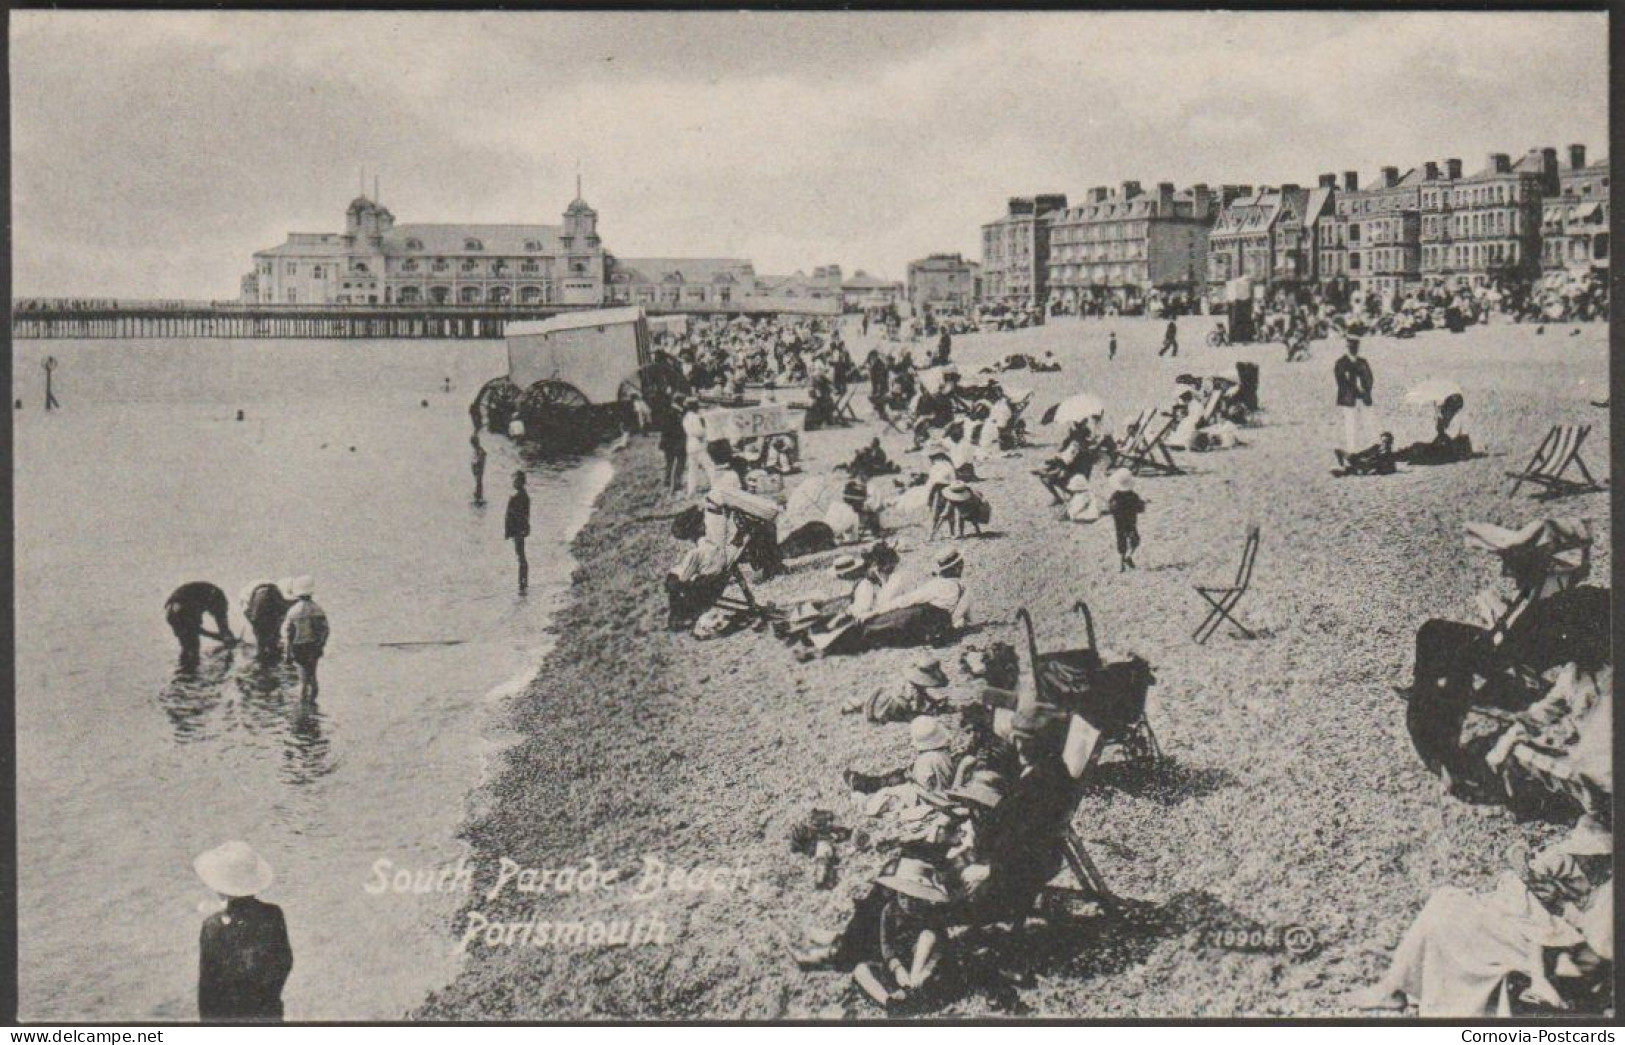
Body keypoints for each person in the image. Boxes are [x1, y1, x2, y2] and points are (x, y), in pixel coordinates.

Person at [1354, 818, 1612, 1017]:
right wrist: (1532, 885)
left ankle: (1395, 987)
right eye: (1584, 856)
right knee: (1446, 902)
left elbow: (1592, 946)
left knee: (1447, 913)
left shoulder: (1607, 897)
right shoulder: (1566, 862)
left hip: (1547, 946)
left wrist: (1543, 971)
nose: (1586, 863)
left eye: (1594, 859)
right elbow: (1522, 884)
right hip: (1521, 921)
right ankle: (1395, 985)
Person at [194, 840, 293, 1022]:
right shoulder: (273, 914)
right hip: (267, 1012)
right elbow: (284, 962)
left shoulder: (212, 927)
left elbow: (208, 988)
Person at [279, 577, 328, 700]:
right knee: (313, 677)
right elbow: (324, 630)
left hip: (299, 647)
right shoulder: (318, 609)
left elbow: (289, 634)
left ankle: (303, 710)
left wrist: (288, 653)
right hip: (314, 646)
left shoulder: (293, 611)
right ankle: (313, 705)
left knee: (303, 681)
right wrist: (321, 645)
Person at [165, 581, 235, 666]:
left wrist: (224, 633)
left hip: (209, 596)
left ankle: (186, 671)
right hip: (182, 610)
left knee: (188, 647)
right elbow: (196, 629)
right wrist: (217, 635)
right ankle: (189, 669)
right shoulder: (179, 614)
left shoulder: (207, 597)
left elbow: (220, 618)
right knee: (191, 647)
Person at [1334, 335, 1375, 453]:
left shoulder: (1363, 362)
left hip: (1363, 398)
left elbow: (1369, 378)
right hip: (1349, 398)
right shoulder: (1341, 363)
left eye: (1355, 345)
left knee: (1368, 422)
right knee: (1350, 424)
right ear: (1347, 346)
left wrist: (1365, 390)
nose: (1353, 348)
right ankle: (1352, 449)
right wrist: (1356, 389)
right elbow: (1341, 381)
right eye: (1351, 345)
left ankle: (1372, 447)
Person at [239, 580, 290, 663]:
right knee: (263, 633)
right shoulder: (250, 602)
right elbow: (254, 620)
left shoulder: (275, 598)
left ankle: (267, 649)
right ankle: (266, 650)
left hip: (266, 598)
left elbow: (279, 618)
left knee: (265, 633)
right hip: (262, 598)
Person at [1106, 469, 1147, 571]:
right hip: (1131, 521)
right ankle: (1128, 557)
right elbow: (1140, 509)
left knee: (1121, 539)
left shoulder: (1115, 496)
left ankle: (1122, 563)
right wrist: (1143, 503)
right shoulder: (1133, 496)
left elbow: (1111, 508)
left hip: (1119, 522)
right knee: (1135, 540)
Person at [505, 470, 530, 594]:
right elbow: (526, 515)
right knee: (521, 555)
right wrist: (527, 527)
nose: (513, 483)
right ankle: (524, 581)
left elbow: (509, 516)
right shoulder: (525, 496)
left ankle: (522, 583)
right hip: (521, 529)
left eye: (515, 480)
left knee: (520, 556)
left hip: (516, 530)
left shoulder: (514, 497)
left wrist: (507, 532)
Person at [657, 396, 688, 496]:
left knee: (670, 463)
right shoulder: (675, 413)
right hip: (675, 442)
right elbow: (676, 429)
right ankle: (676, 483)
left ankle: (668, 481)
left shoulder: (669, 411)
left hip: (668, 442)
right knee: (680, 462)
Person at [469, 434, 487, 503]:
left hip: (479, 467)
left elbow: (480, 458)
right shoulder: (478, 450)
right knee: (478, 480)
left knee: (479, 480)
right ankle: (478, 493)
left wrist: (476, 464)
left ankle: (479, 494)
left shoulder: (480, 450)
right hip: (478, 467)